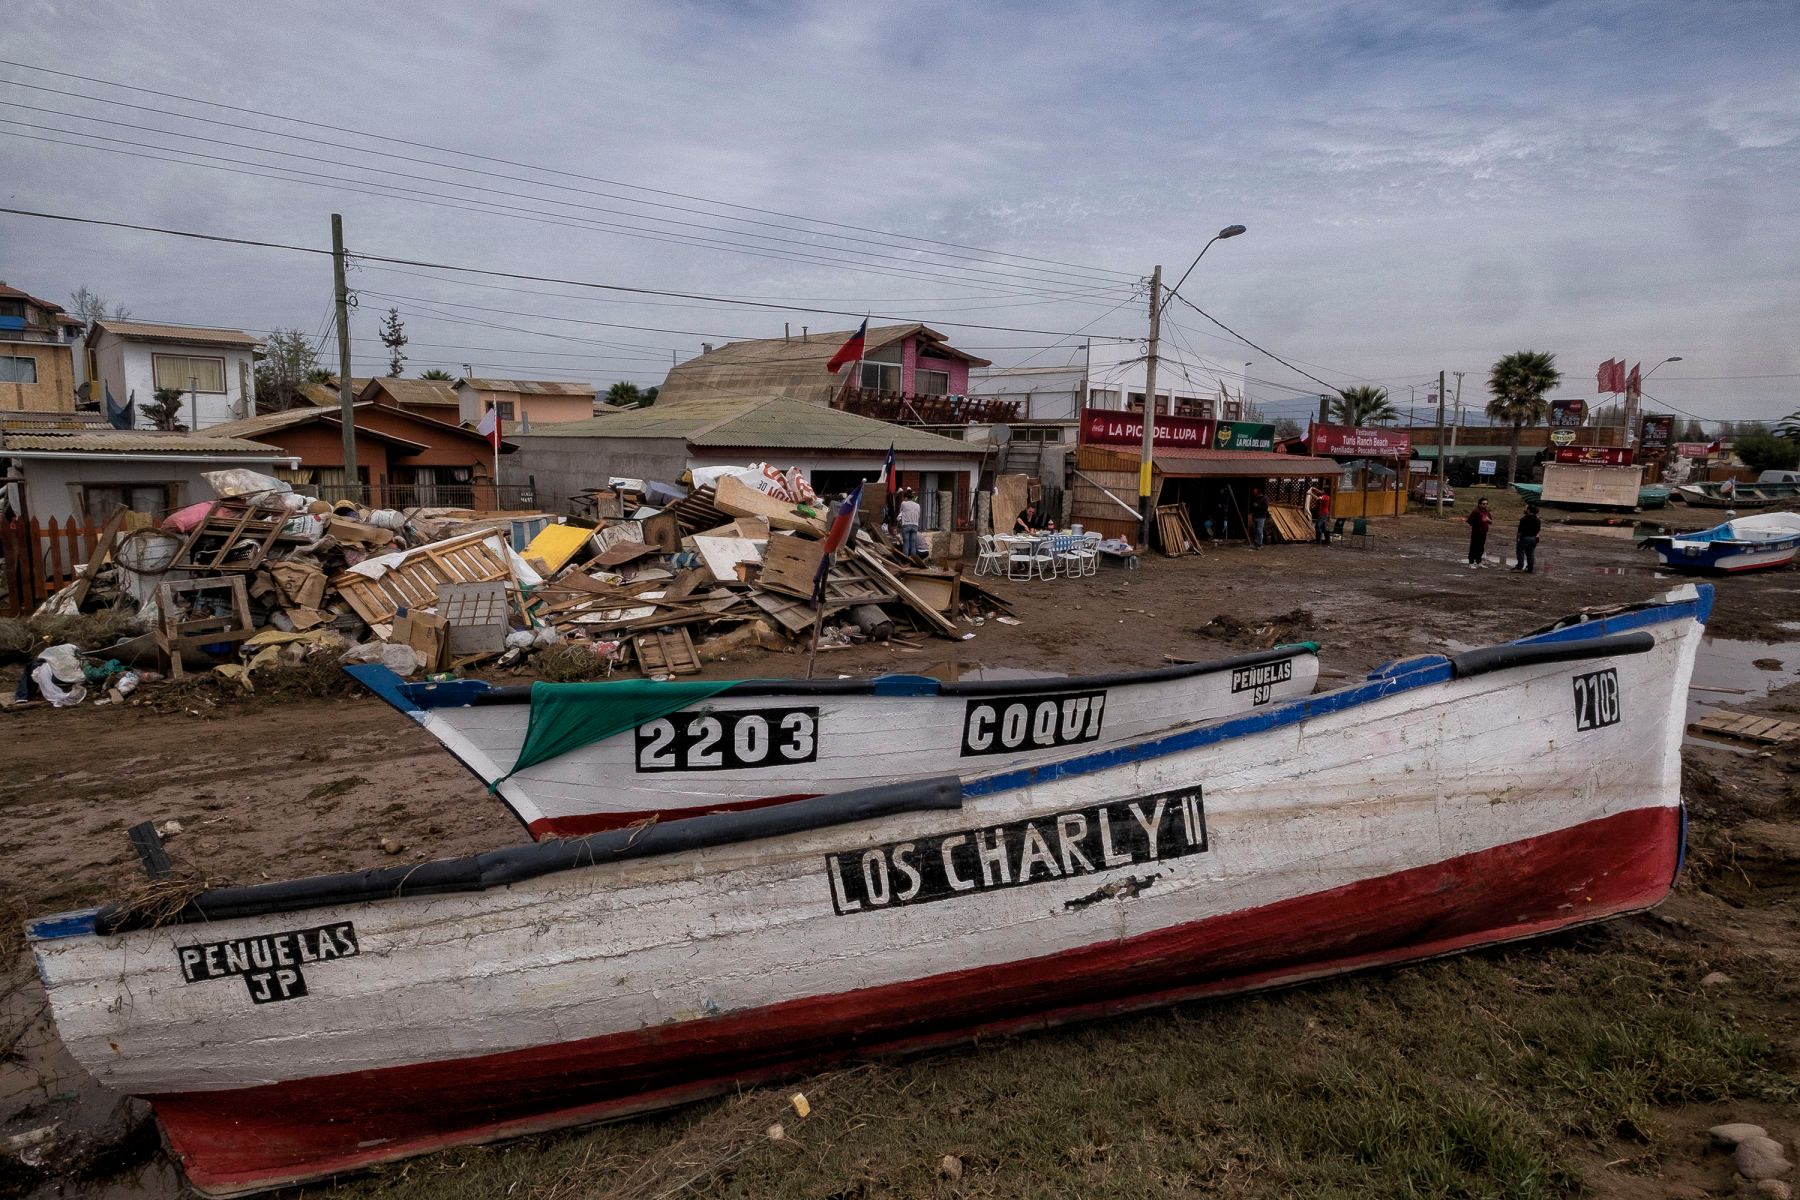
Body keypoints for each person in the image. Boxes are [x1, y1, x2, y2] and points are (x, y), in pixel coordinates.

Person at [1513, 503, 1541, 573]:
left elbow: (1520, 531)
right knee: (1530, 553)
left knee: (1520, 552)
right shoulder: (1538, 520)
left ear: (1529, 510)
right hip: (1533, 538)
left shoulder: (1524, 519)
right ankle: (1530, 568)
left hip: (1525, 538)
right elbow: (1538, 530)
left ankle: (1519, 567)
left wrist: (1518, 538)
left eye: (1526, 508)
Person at [1465, 497, 1493, 567]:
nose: (1485, 505)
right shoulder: (1476, 511)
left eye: (1486, 504)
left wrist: (1488, 520)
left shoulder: (1486, 511)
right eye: (1483, 504)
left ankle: (1479, 562)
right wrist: (1478, 523)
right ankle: (1471, 562)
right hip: (1476, 532)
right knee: (1474, 547)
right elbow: (1469, 521)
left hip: (1484, 532)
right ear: (1479, 504)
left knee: (1481, 547)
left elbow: (1490, 521)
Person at [897, 488, 923, 558]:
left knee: (906, 544)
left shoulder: (903, 503)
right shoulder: (918, 505)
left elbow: (901, 512)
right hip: (915, 525)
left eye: (904, 498)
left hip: (906, 525)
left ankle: (905, 560)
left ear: (906, 497)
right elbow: (919, 515)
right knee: (913, 544)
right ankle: (913, 561)